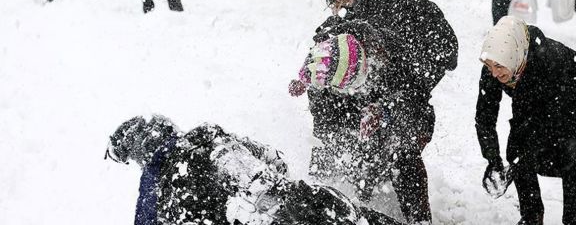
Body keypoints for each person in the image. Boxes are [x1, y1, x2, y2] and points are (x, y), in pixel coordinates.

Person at [299, 0, 458, 224]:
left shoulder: (388, 2)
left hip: (415, 78)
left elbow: (439, 55)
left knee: (399, 143)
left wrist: (386, 106)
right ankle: (333, 200)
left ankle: (418, 219)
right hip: (381, 78)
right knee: (338, 132)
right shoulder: (355, 4)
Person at [105, 115, 404, 225]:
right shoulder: (208, 133)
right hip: (299, 198)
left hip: (262, 217)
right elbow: (275, 159)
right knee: (355, 215)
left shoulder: (162, 197)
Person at [475, 16, 576, 225]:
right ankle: (532, 215)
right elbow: (484, 116)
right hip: (538, 100)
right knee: (516, 149)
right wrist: (493, 160)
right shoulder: (496, 62)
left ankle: (574, 218)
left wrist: (522, 157)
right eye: (489, 65)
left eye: (498, 66)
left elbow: (539, 121)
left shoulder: (547, 60)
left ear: (513, 57)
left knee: (572, 151)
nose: (494, 73)